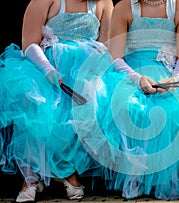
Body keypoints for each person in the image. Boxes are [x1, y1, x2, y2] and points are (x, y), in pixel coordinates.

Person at [77, 0, 179, 200]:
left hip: (169, 73)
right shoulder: (125, 7)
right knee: (126, 107)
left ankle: (171, 177)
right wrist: (137, 78)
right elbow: (116, 57)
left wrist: (174, 80)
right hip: (130, 74)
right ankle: (136, 175)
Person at [0, 0, 113, 202]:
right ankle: (31, 176)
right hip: (46, 68)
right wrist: (47, 69)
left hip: (86, 69)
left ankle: (65, 169)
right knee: (36, 104)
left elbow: (107, 45)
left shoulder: (104, 3)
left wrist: (92, 75)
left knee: (88, 105)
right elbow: (29, 43)